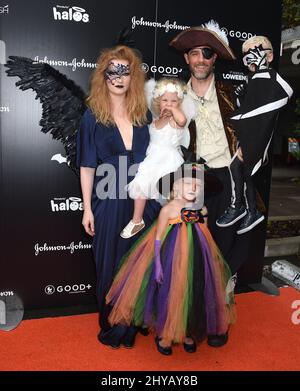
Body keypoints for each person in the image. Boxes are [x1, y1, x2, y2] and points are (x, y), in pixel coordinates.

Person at [76, 45, 161, 348]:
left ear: (134, 76)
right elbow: (87, 166)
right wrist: (87, 209)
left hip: (144, 202)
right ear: (104, 75)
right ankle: (114, 325)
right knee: (110, 264)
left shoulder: (144, 115)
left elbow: (160, 155)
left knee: (140, 263)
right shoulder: (92, 117)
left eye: (126, 70)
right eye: (114, 70)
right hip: (108, 200)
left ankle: (135, 321)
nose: (120, 77)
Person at [106, 159, 236, 355]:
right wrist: (158, 264)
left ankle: (188, 332)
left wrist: (210, 260)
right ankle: (165, 334)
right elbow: (157, 239)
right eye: (187, 182)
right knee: (172, 292)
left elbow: (206, 236)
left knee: (193, 291)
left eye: (198, 184)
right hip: (171, 257)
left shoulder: (203, 210)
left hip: (196, 258)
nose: (193, 186)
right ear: (176, 185)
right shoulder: (167, 210)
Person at [169, 20, 252, 273]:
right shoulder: (175, 97)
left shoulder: (234, 93)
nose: (200, 60)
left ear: (214, 58)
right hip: (194, 180)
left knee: (226, 243)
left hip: (229, 177)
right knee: (192, 246)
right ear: (187, 58)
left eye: (207, 53)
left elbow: (258, 127)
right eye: (194, 54)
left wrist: (250, 150)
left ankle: (222, 291)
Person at [216, 36, 293, 234]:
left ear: (270, 55)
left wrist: (248, 143)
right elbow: (248, 109)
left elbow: (266, 109)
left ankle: (243, 208)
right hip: (250, 136)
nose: (250, 58)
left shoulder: (269, 79)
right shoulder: (255, 80)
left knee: (241, 168)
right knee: (243, 170)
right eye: (246, 55)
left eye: (256, 52)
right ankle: (249, 209)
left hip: (258, 137)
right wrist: (242, 96)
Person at [120, 77, 195, 239]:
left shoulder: (177, 120)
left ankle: (175, 220)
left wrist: (174, 110)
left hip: (169, 160)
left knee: (171, 193)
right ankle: (137, 220)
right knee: (140, 184)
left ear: (179, 103)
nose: (168, 104)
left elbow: (183, 120)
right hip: (152, 159)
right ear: (157, 102)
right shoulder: (155, 121)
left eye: (174, 101)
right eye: (165, 100)